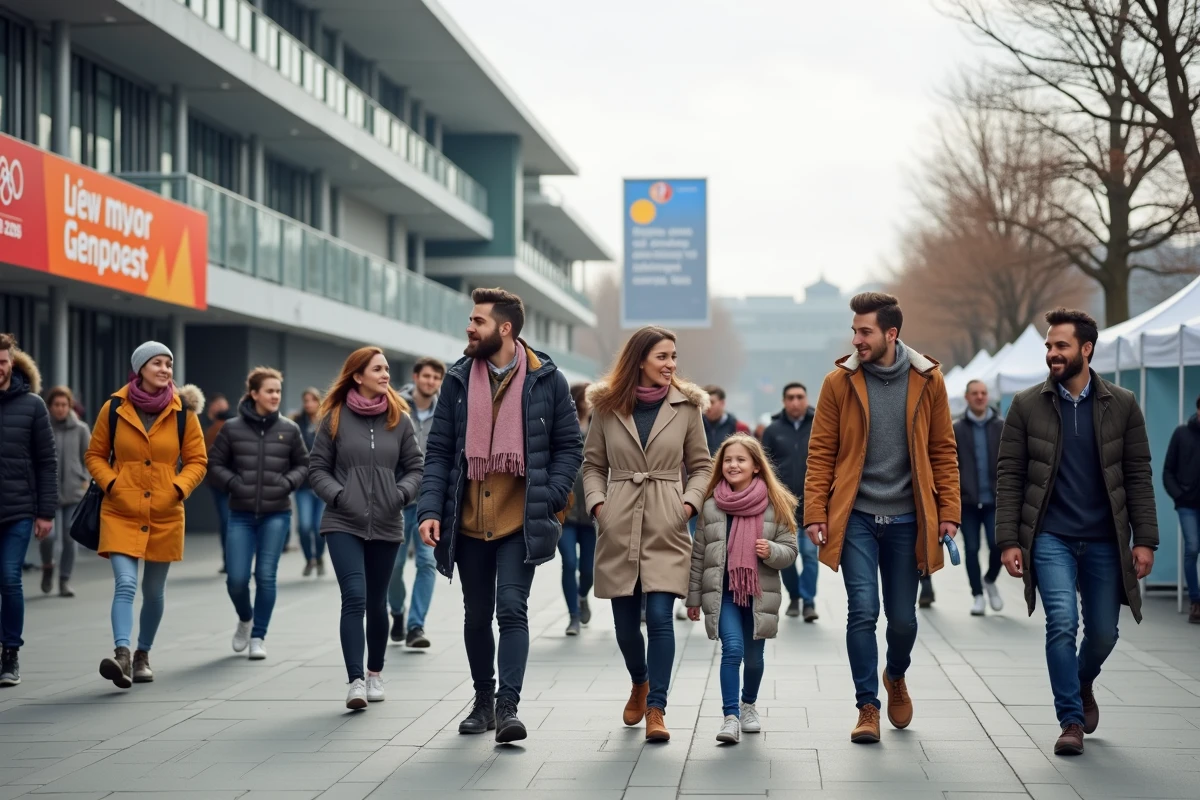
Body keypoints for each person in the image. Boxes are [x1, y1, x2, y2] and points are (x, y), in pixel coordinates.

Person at [418, 288, 582, 744]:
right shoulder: (457, 379)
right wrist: (429, 508)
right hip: (469, 521)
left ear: (505, 329)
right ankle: (483, 700)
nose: (469, 328)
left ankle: (508, 706)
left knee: (511, 608)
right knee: (476, 615)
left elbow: (570, 446)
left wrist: (550, 495)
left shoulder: (548, 379)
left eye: (478, 321)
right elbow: (439, 451)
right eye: (471, 320)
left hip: (517, 521)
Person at [996, 308, 1158, 756]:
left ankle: (1082, 680)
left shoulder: (1122, 404)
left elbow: (1138, 475)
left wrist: (1145, 539)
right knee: (1062, 622)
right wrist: (1008, 540)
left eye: (1061, 345)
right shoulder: (1026, 404)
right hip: (1051, 537)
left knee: (1104, 633)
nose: (1052, 352)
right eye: (1049, 345)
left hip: (1106, 539)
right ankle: (1070, 720)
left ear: (1086, 349)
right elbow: (1009, 476)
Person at [804, 292, 960, 745]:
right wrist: (815, 511)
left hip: (909, 519)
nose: (856, 339)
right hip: (856, 516)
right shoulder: (839, 382)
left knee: (904, 620)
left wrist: (949, 511)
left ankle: (895, 674)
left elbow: (943, 450)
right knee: (862, 611)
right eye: (854, 331)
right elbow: (821, 453)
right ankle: (867, 706)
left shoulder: (928, 380)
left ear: (891, 334)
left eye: (865, 331)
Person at [583, 326, 712, 743]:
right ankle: (639, 681)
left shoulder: (687, 407)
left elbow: (702, 466)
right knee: (625, 628)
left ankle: (657, 707)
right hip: (618, 522)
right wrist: (599, 506)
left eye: (673, 356)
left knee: (659, 617)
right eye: (662, 356)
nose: (671, 364)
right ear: (640, 360)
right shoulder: (606, 406)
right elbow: (592, 465)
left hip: (666, 523)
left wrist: (687, 505)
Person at [86, 342, 207, 688]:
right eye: (157, 363)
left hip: (165, 513)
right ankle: (122, 654)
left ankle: (143, 654)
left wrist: (177, 489)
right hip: (120, 509)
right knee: (125, 583)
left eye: (169, 363)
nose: (165, 369)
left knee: (153, 590)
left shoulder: (183, 412)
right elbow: (95, 455)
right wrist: (113, 484)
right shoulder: (114, 407)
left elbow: (198, 461)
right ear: (140, 368)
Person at [308, 347, 423, 709]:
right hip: (343, 520)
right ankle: (356, 680)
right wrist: (339, 496)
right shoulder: (334, 418)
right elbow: (317, 469)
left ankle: (375, 673)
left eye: (387, 368)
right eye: (377, 369)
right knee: (354, 597)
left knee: (377, 602)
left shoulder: (400, 419)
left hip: (387, 521)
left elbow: (416, 468)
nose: (386, 374)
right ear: (357, 376)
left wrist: (399, 495)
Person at [687, 434, 798, 744]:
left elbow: (790, 551)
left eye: (740, 460)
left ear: (756, 466)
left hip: (759, 595)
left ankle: (748, 704)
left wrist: (771, 551)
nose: (733, 465)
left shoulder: (775, 504)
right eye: (727, 460)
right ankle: (730, 717)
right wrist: (693, 598)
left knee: (754, 660)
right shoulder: (711, 506)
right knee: (732, 650)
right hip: (723, 595)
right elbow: (699, 555)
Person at [208, 367, 309, 661]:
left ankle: (258, 636)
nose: (275, 396)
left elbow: (304, 464)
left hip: (276, 513)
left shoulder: (289, 429)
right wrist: (235, 484)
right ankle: (245, 618)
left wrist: (287, 483)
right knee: (236, 579)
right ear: (254, 394)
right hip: (240, 513)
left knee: (265, 575)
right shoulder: (232, 428)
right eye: (269, 391)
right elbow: (214, 464)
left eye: (278, 391)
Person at [0, 334, 57, 687]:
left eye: (2, 361)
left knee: (9, 577)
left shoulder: (33, 405)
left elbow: (47, 461)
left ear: (12, 363)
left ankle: (10, 653)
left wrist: (45, 512)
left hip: (18, 509)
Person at [389, 356, 445, 648]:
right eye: (426, 376)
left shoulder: (445, 411)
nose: (430, 382)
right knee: (394, 566)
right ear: (415, 377)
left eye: (436, 377)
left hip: (430, 503)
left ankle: (416, 626)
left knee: (427, 563)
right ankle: (397, 611)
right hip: (397, 500)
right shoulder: (395, 406)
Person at [761, 382, 819, 622]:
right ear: (784, 401)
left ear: (807, 399)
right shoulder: (773, 430)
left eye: (800, 397)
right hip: (782, 506)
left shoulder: (819, 425)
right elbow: (764, 467)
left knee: (810, 555)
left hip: (813, 503)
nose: (796, 402)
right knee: (785, 557)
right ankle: (794, 596)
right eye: (791, 398)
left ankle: (808, 601)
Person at [954, 380, 1005, 617]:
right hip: (968, 502)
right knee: (972, 548)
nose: (980, 397)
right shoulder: (957, 429)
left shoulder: (1001, 427)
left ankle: (990, 580)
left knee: (998, 545)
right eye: (975, 393)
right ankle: (977, 595)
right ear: (967, 397)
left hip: (995, 500)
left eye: (983, 393)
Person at [43, 386, 90, 599]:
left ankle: (64, 580)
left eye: (64, 405)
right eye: (56, 405)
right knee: (48, 536)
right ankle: (47, 565)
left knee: (71, 537)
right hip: (48, 492)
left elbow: (90, 457)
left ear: (70, 406)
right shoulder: (42, 428)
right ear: (50, 406)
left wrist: (85, 480)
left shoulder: (80, 429)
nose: (60, 408)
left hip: (74, 492)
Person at [561, 382, 597, 636]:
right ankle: (573, 616)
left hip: (592, 512)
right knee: (568, 562)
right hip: (565, 510)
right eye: (589, 396)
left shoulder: (601, 423)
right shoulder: (564, 422)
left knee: (587, 570)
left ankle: (582, 595)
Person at [1163, 393, 1200, 623]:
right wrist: (1179, 495)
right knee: (1192, 548)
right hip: (1187, 504)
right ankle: (1196, 602)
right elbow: (1168, 470)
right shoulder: (1182, 434)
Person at [293, 388, 327, 577]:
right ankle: (309, 559)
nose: (309, 404)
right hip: (303, 485)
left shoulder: (326, 422)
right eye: (306, 400)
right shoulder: (297, 424)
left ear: (318, 401)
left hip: (323, 485)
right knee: (304, 527)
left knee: (319, 527)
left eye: (312, 400)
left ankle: (319, 557)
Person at [204, 393, 233, 573]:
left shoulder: (216, 428)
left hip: (225, 483)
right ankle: (232, 561)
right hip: (225, 483)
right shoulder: (212, 428)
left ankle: (231, 561)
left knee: (228, 522)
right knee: (229, 522)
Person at [702, 386, 750, 455]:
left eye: (711, 402)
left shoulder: (739, 428)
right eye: (705, 403)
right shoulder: (696, 426)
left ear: (722, 403)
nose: (708, 406)